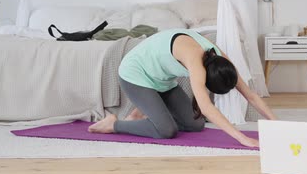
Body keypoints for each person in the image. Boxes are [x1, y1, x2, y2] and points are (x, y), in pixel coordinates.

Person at [89, 29, 276, 147]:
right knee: (166, 131)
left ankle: (144, 113)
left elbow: (251, 95)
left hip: (162, 81)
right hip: (135, 75)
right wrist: (242, 138)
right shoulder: (196, 63)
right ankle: (113, 124)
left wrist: (278, 124)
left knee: (196, 125)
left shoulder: (221, 61)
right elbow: (206, 108)